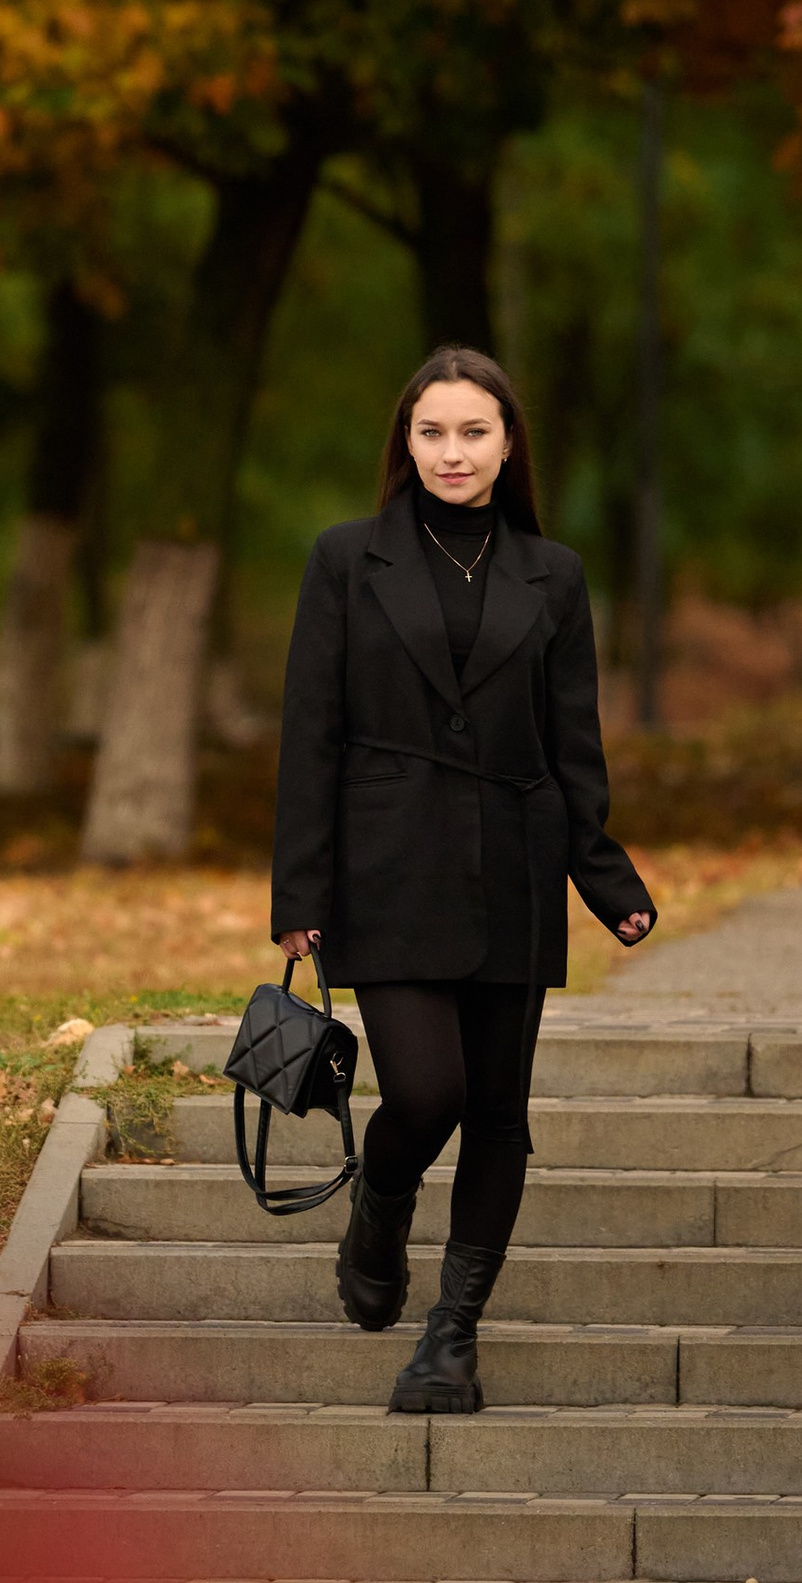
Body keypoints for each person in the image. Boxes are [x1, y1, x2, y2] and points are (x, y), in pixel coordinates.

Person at [270, 344, 656, 1416]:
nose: (452, 451)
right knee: (426, 1092)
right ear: (405, 441)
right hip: (383, 867)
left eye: (473, 431)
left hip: (516, 867)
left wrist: (602, 872)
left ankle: (450, 1337)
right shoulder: (345, 561)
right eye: (432, 431)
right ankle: (381, 1204)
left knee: (496, 1113)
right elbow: (311, 735)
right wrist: (298, 895)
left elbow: (571, 744)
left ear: (507, 444)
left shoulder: (553, 573)